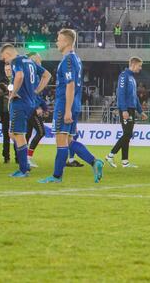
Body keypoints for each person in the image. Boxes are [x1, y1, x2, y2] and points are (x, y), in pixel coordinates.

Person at [39, 29, 104, 183]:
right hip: (74, 104)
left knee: (61, 141)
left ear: (67, 42)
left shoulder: (68, 60)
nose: (56, 42)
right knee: (68, 141)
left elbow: (70, 85)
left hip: (65, 106)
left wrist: (66, 110)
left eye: (58, 39)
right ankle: (94, 162)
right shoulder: (76, 59)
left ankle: (56, 176)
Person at [1, 44, 51, 177]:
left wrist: (13, 93)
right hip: (30, 103)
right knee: (15, 134)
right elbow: (47, 75)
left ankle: (23, 169)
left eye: (3, 57)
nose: (4, 60)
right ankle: (25, 165)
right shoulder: (30, 61)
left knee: (17, 135)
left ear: (7, 54)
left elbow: (19, 76)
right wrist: (35, 92)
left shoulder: (15, 61)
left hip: (20, 103)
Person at [106, 57, 148, 168]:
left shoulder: (132, 78)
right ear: (133, 65)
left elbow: (135, 97)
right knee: (128, 134)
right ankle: (110, 155)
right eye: (139, 66)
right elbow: (120, 94)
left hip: (131, 109)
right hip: (126, 109)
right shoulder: (124, 76)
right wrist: (124, 109)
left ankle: (125, 162)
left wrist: (140, 111)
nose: (140, 68)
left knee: (127, 135)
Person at [26, 52, 51, 169]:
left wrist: (44, 107)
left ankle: (25, 158)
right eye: (37, 61)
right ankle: (27, 158)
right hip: (31, 108)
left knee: (28, 134)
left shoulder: (35, 75)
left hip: (31, 107)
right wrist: (37, 107)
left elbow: (37, 95)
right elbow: (32, 94)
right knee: (41, 132)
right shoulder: (32, 75)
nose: (39, 63)